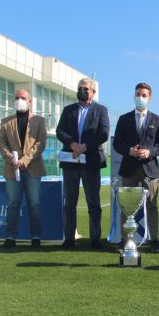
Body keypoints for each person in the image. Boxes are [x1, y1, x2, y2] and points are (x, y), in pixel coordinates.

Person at [113, 82, 159, 253]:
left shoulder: (157, 120)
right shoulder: (124, 119)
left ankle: (155, 241)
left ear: (150, 98)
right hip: (129, 169)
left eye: (144, 95)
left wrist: (150, 152)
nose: (140, 97)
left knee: (152, 205)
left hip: (149, 170)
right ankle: (125, 240)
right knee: (127, 206)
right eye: (138, 94)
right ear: (134, 96)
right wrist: (130, 150)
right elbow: (116, 144)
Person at [56, 78, 110, 249]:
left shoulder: (101, 110)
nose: (83, 91)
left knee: (93, 201)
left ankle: (95, 237)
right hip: (71, 161)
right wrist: (73, 145)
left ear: (93, 92)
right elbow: (60, 131)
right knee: (69, 202)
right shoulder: (68, 110)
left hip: (91, 161)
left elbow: (103, 133)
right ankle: (69, 238)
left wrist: (84, 147)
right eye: (80, 88)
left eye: (86, 89)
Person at [0, 89, 47, 249]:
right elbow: (1, 143)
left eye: (23, 98)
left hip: (33, 168)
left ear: (30, 101)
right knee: (13, 204)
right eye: (17, 97)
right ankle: (10, 237)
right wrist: (12, 159)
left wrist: (24, 160)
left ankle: (36, 236)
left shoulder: (39, 120)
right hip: (12, 170)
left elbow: (41, 143)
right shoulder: (5, 121)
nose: (20, 100)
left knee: (34, 204)